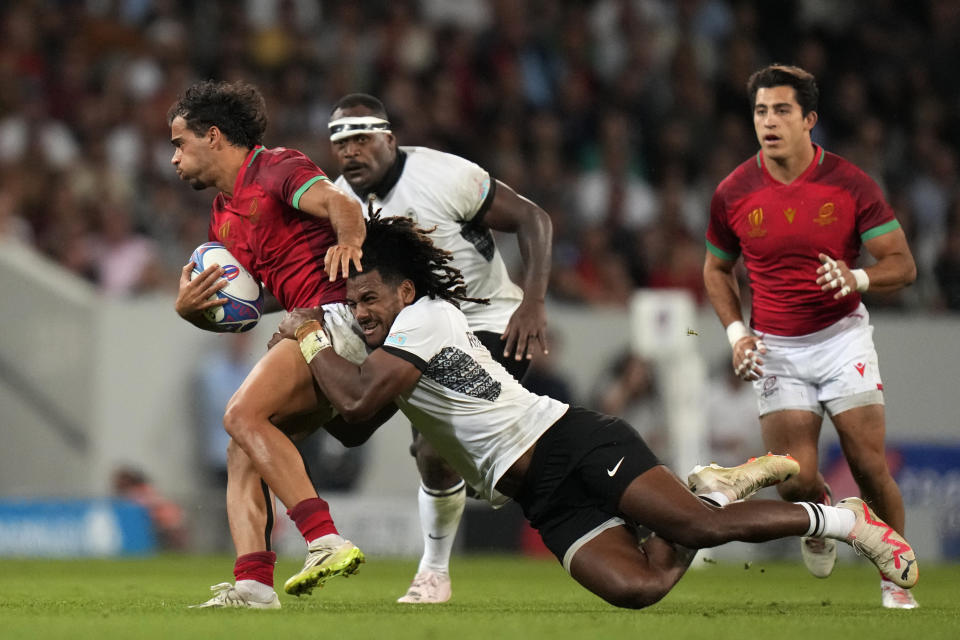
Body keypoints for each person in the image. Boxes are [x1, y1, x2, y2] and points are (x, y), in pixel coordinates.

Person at [276, 213, 918, 609]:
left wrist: (307, 338)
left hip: (570, 441)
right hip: (537, 494)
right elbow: (354, 422)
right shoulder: (390, 343)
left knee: (698, 532)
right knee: (640, 589)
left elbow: (358, 396)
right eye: (351, 303)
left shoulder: (427, 317)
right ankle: (716, 493)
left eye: (369, 297)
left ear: (405, 290)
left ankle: (843, 521)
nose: (360, 312)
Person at [702, 65, 919, 609]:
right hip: (776, 349)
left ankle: (895, 578)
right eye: (760, 111)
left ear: (809, 120)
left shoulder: (849, 183)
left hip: (842, 338)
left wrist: (858, 277)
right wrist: (736, 334)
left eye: (781, 111)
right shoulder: (733, 192)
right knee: (794, 480)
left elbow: (903, 264)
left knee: (870, 467)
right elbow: (715, 269)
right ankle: (820, 513)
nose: (769, 122)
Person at [327, 93, 554, 603]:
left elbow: (533, 218)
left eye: (361, 139)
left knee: (497, 458)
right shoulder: (340, 201)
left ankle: (608, 496)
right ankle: (434, 572)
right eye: (340, 144)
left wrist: (533, 301)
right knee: (425, 450)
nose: (350, 153)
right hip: (415, 325)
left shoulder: (444, 174)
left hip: (488, 318)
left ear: (389, 138)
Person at [168, 80, 370, 609]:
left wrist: (348, 241)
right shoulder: (221, 216)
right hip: (304, 322)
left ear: (213, 137)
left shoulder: (277, 168)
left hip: (338, 316)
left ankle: (324, 538)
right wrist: (195, 313)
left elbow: (340, 204)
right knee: (243, 449)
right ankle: (254, 583)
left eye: (179, 143)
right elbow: (251, 308)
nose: (173, 158)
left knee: (240, 415)